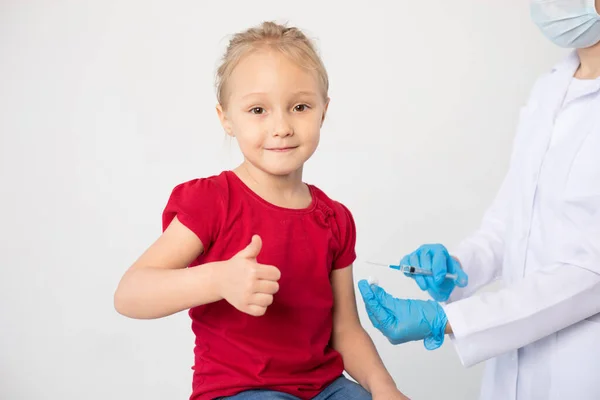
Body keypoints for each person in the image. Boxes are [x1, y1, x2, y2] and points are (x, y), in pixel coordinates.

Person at [114, 21, 408, 400]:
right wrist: (218, 280)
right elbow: (130, 293)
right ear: (226, 118)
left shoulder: (334, 219)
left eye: (300, 106)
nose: (282, 126)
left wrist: (383, 387)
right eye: (258, 109)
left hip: (325, 388)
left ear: (323, 110)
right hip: (240, 391)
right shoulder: (212, 202)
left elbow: (345, 327)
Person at [358, 1, 600, 399]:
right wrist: (459, 267)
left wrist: (449, 320)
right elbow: (511, 221)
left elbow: (590, 274)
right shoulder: (551, 86)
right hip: (511, 374)